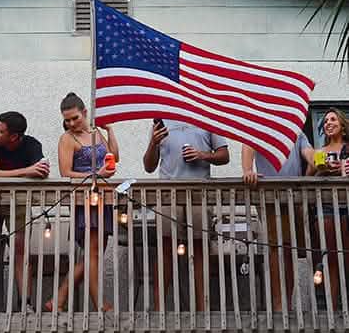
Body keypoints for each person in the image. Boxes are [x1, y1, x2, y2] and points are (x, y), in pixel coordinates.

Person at [143, 118, 229, 312]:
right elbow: (148, 166)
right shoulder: (162, 120)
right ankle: (159, 310)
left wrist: (202, 155)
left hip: (198, 192)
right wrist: (153, 143)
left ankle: (202, 308)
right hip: (167, 193)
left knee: (199, 249)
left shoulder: (207, 115)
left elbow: (224, 156)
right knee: (165, 249)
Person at [52, 93, 118, 312]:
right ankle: (99, 303)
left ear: (85, 113)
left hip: (104, 198)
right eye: (67, 120)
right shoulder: (67, 139)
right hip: (84, 199)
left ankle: (58, 299)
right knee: (92, 252)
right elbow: (66, 172)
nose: (71, 123)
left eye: (75, 118)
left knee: (96, 252)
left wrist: (110, 130)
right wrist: (94, 175)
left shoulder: (97, 132)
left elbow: (114, 158)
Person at [0, 111, 49, 310]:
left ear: (14, 137)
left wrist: (37, 170)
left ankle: (25, 303)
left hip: (19, 202)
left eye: (0, 131)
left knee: (20, 250)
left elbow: (43, 171)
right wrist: (26, 172)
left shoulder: (32, 145)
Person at [242, 135, 314, 312]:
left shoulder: (296, 132)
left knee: (290, 251)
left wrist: (313, 169)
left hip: (294, 196)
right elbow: (248, 143)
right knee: (276, 250)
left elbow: (309, 154)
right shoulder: (262, 124)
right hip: (270, 195)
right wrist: (247, 170)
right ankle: (279, 304)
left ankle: (288, 303)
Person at [306, 108, 349, 309]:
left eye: (333, 119)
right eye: (325, 121)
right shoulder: (319, 153)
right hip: (326, 209)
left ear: (342, 125)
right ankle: (331, 306)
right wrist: (320, 171)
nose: (328, 123)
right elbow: (305, 180)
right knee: (330, 255)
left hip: (346, 206)